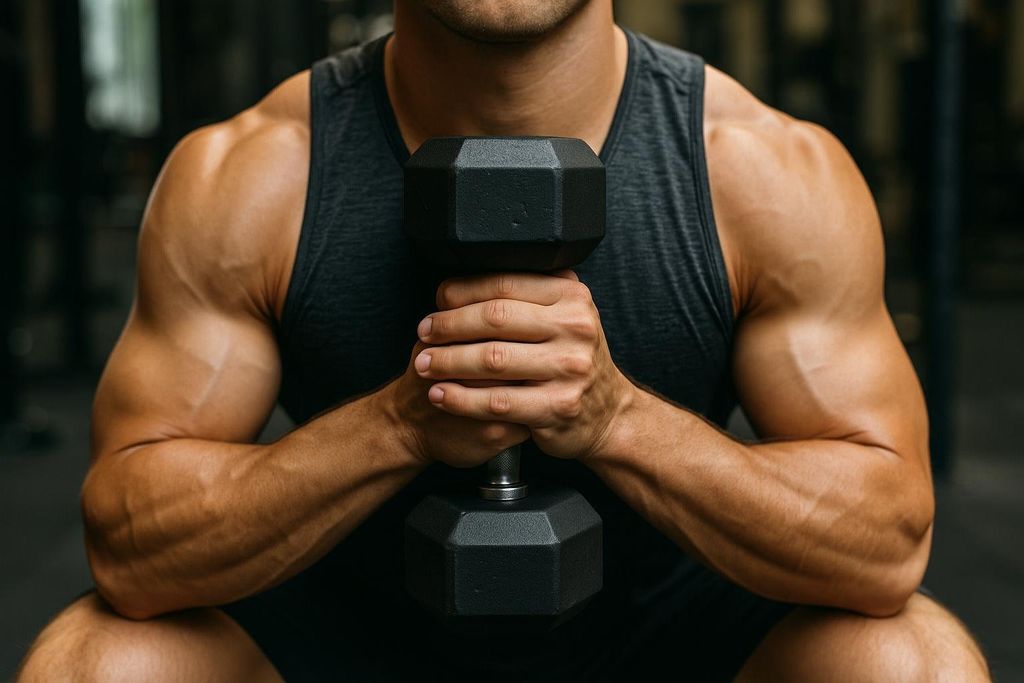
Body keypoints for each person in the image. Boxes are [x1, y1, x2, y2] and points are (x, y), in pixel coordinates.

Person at [18, 1, 990, 680]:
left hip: (669, 641)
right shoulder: (253, 174)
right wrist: (407, 420)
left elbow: (885, 539)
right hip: (350, 635)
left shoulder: (764, 173)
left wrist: (610, 416)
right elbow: (131, 541)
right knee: (95, 663)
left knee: (915, 664)